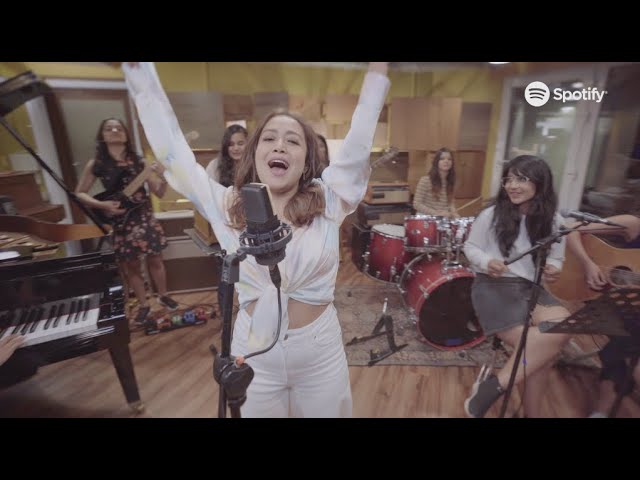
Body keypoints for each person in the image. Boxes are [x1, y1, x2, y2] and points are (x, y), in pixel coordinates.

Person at [121, 61, 390, 417]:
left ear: (306, 159)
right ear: (255, 153)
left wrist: (377, 73)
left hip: (319, 354)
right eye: (269, 138)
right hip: (252, 354)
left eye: (292, 140)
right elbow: (173, 152)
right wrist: (139, 74)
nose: (280, 146)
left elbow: (359, 142)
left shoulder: (328, 199)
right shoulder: (227, 206)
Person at [463, 155, 572, 418]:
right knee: (541, 351)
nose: (512, 185)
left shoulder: (553, 220)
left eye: (521, 179)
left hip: (530, 288)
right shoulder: (491, 215)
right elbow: (470, 247)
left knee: (561, 327)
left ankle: (496, 386)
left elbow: (557, 256)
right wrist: (487, 261)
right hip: (493, 286)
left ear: (540, 183)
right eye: (509, 179)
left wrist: (554, 267)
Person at [75, 117, 179, 325]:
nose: (114, 130)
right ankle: (143, 305)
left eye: (119, 128)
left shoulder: (140, 163)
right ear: (102, 136)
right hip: (122, 221)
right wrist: (103, 205)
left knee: (156, 260)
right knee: (132, 266)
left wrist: (164, 176)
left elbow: (159, 193)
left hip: (144, 217)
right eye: (109, 128)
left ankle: (163, 295)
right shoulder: (96, 164)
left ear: (126, 135)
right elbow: (79, 193)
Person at [565, 214, 640, 417]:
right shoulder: (633, 224)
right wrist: (588, 264)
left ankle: (601, 412)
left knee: (624, 344)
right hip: (608, 300)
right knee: (629, 340)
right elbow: (571, 229)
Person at [413, 147, 459, 218]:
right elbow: (416, 204)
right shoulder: (425, 180)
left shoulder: (451, 181)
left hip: (442, 219)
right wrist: (436, 213)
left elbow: (450, 202)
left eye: (449, 159)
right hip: (426, 219)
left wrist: (454, 213)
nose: (446, 161)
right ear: (436, 162)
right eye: (442, 159)